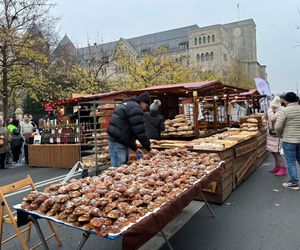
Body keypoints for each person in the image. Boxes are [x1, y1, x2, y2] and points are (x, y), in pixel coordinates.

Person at [107, 92, 151, 167]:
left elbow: (127, 130)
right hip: (118, 141)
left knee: (123, 168)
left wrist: (135, 148)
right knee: (119, 169)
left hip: (119, 140)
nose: (145, 109)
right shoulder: (135, 108)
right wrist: (148, 148)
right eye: (146, 107)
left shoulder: (129, 104)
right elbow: (139, 131)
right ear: (143, 102)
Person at [275, 92, 300, 190]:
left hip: (289, 140)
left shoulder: (285, 111)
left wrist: (280, 135)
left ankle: (294, 182)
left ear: (286, 100)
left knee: (291, 162)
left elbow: (278, 127)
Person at [266, 96, 286, 175]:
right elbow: (267, 119)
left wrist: (269, 110)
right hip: (271, 134)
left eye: (273, 106)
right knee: (273, 152)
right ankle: (277, 166)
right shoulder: (274, 111)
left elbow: (272, 118)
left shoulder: (280, 111)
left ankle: (283, 168)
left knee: (277, 153)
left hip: (276, 135)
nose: (272, 107)